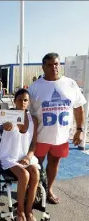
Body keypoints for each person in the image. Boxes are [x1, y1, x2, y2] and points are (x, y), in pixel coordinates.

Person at [28, 53, 86, 204]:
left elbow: (78, 109)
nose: (54, 67)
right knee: (36, 165)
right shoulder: (35, 88)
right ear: (43, 67)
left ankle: (48, 190)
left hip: (61, 137)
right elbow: (25, 113)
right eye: (49, 65)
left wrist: (79, 130)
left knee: (54, 163)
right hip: (40, 137)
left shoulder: (70, 84)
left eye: (56, 64)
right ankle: (33, 190)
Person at [0, 88, 39, 221]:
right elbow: (4, 125)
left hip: (24, 156)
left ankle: (29, 210)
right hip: (9, 156)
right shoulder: (7, 115)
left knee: (35, 172)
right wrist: (6, 125)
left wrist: (28, 157)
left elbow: (34, 144)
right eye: (20, 100)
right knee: (24, 174)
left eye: (25, 100)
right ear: (15, 101)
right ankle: (20, 210)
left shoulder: (33, 120)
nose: (23, 102)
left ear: (29, 103)